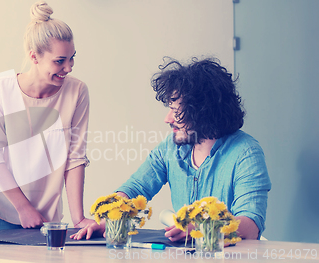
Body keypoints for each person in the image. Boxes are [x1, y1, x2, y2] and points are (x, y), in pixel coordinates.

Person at [71, 57, 272, 241]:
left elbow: (251, 225)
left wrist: (203, 227)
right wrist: (110, 216)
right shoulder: (171, 147)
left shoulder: (246, 152)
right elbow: (136, 187)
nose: (167, 119)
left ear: (203, 112)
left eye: (176, 112)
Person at [0, 1, 94, 230]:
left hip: (47, 216)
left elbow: (75, 158)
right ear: (34, 57)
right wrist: (23, 208)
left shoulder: (77, 92)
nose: (69, 67)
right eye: (60, 61)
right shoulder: (1, 90)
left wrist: (78, 218)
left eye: (72, 58)